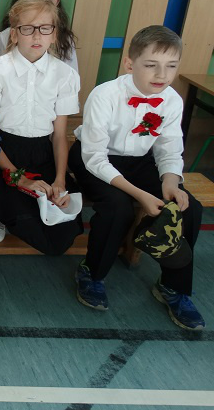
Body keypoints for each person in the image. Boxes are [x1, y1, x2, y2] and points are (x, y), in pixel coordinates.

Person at [68, 25, 204, 330]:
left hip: (140, 161)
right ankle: (92, 272)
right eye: (151, 65)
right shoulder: (105, 95)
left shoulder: (172, 100)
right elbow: (94, 157)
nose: (162, 74)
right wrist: (140, 195)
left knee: (189, 208)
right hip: (95, 159)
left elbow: (169, 148)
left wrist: (170, 181)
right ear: (130, 64)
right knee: (117, 207)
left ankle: (173, 286)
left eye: (171, 66)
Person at [0, 0, 83, 255]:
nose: (37, 35)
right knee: (28, 222)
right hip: (3, 155)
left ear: (54, 34)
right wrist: (20, 178)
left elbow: (59, 136)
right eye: (28, 28)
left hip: (43, 155)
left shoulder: (65, 75)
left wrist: (59, 180)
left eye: (44, 28)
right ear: (14, 34)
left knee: (64, 230)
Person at [0, 0, 78, 72]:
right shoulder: (5, 36)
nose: (44, 1)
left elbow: (70, 75)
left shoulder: (65, 41)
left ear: (57, 2)